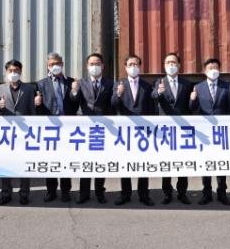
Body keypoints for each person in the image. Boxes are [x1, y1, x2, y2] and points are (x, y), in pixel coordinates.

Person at [0, 59, 37, 205]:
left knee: (24, 164)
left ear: (21, 72)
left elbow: (32, 110)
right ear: (6, 72)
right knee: (6, 164)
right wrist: (0, 107)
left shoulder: (29, 89)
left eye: (16, 71)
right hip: (6, 133)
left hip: (24, 132)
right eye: (11, 71)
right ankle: (6, 193)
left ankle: (24, 193)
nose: (13, 73)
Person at [69, 53, 114, 204]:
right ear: (87, 67)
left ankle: (100, 192)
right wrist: (74, 91)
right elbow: (74, 100)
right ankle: (84, 193)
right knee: (85, 162)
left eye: (97, 64)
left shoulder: (110, 83)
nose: (95, 66)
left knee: (100, 162)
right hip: (85, 127)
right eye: (92, 64)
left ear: (103, 66)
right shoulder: (80, 83)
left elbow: (112, 104)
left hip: (102, 128)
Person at [189, 58, 230, 206]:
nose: (213, 70)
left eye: (216, 67)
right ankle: (207, 193)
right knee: (206, 162)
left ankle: (222, 192)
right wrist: (192, 100)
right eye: (210, 68)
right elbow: (193, 109)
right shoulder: (198, 87)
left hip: (221, 132)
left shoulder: (226, 87)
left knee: (221, 163)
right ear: (205, 71)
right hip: (205, 133)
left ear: (219, 70)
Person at [111, 54, 155, 206]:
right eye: (130, 65)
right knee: (126, 163)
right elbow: (113, 104)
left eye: (135, 64)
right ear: (125, 67)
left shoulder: (147, 85)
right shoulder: (119, 84)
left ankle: (144, 194)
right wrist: (118, 94)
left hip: (143, 131)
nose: (133, 67)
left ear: (139, 67)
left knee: (143, 164)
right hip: (125, 132)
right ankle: (125, 194)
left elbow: (151, 108)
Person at [36, 52, 78, 203]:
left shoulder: (71, 82)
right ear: (48, 66)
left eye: (57, 63)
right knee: (50, 161)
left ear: (62, 64)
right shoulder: (41, 84)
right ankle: (51, 191)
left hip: (67, 127)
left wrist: (75, 91)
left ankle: (66, 191)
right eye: (51, 64)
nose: (55, 66)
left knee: (65, 160)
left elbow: (76, 103)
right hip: (50, 128)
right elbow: (38, 109)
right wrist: (37, 104)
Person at [151, 52, 192, 205]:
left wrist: (193, 100)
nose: (171, 65)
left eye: (173, 62)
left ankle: (182, 193)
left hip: (182, 129)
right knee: (167, 162)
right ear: (164, 65)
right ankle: (167, 193)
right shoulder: (158, 82)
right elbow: (153, 96)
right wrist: (159, 92)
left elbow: (190, 106)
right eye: (168, 62)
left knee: (182, 162)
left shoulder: (187, 84)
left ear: (179, 65)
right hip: (165, 129)